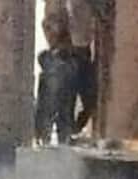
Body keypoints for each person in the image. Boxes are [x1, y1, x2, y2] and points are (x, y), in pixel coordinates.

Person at [34, 15, 97, 145]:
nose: (48, 36)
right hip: (51, 124)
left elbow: (88, 97)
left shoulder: (77, 62)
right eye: (46, 31)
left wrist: (79, 122)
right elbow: (43, 98)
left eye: (50, 31)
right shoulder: (47, 59)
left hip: (65, 121)